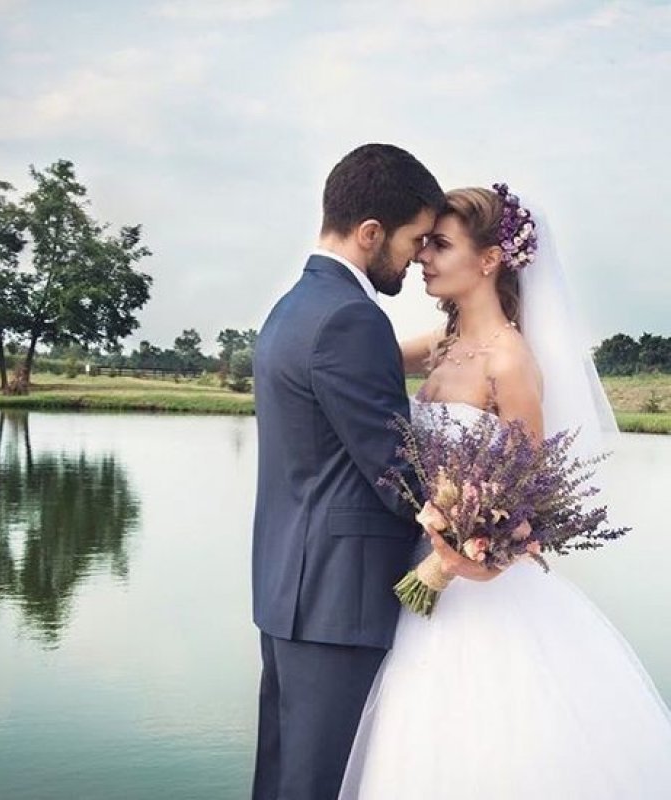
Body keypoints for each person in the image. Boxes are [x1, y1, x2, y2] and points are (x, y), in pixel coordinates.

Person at [337, 185, 671, 799]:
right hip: (422, 581)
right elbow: (348, 353)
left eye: (440, 245)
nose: (422, 258)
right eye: (424, 243)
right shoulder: (440, 347)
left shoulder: (510, 362)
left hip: (483, 597)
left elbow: (532, 494)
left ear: (489, 260)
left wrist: (489, 557)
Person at [250, 144, 500, 800]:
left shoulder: (295, 307)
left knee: (286, 781)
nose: (419, 256)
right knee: (320, 786)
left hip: (293, 593)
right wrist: (475, 520)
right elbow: (398, 477)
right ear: (370, 234)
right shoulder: (352, 318)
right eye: (415, 240)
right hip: (339, 602)